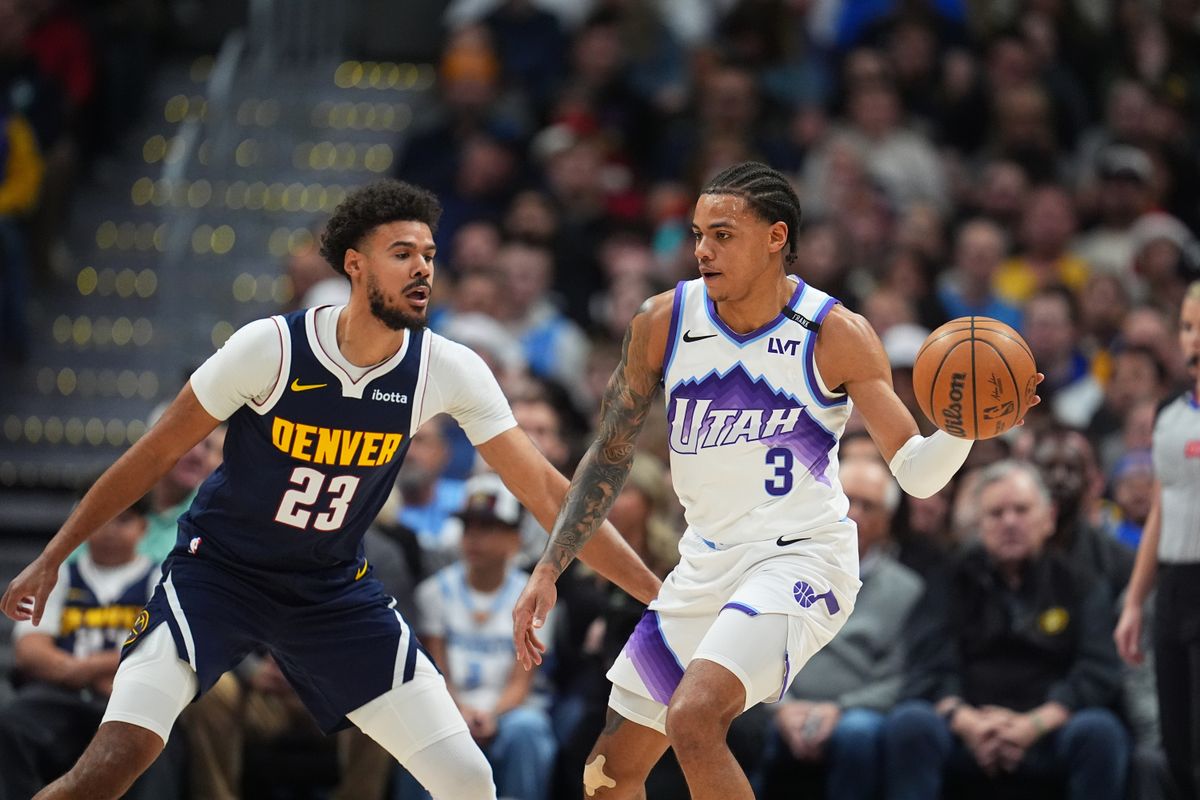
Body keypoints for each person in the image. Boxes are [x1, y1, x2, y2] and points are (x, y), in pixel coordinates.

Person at [0, 179, 660, 800]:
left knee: (468, 780)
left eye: (429, 255)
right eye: (402, 253)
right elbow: (153, 455)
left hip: (330, 591)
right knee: (115, 761)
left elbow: (549, 492)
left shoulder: (445, 367)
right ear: (354, 264)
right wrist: (54, 556)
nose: (423, 269)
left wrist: (657, 596)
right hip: (220, 576)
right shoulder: (270, 348)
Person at [512, 162, 1037, 800]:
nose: (702, 249)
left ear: (775, 237)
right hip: (704, 563)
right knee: (607, 775)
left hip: (800, 562)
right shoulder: (662, 320)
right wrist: (551, 566)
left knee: (694, 717)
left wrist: (961, 429)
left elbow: (916, 475)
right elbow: (608, 454)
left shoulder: (834, 333)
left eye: (723, 235)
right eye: (698, 234)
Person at [884, 461, 1129, 800]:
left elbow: (1098, 669)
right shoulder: (950, 580)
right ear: (979, 525)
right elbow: (928, 666)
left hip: (1049, 730)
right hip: (966, 729)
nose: (1009, 522)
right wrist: (969, 723)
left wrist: (1034, 724)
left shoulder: (1080, 583)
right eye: (996, 513)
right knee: (911, 723)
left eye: (1021, 510)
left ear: (1049, 517)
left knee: (1101, 731)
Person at [760, 458, 926, 800]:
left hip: (856, 712)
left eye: (869, 506)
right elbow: (761, 649)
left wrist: (840, 708)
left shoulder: (907, 590)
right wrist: (782, 707)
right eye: (848, 500)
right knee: (742, 723)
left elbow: (900, 677)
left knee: (857, 734)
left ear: (887, 521)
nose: (855, 514)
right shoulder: (786, 570)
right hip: (781, 702)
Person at [0, 495, 180, 800]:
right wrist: (85, 671)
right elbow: (29, 649)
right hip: (63, 695)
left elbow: (162, 647)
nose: (110, 531)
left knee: (158, 738)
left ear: (143, 528)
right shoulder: (60, 576)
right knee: (13, 721)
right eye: (103, 520)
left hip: (126, 696)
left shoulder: (160, 578)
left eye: (123, 521)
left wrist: (81, 667)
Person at [410, 473, 557, 800]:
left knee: (528, 729)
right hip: (450, 705)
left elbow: (521, 683)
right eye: (468, 527)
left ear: (515, 539)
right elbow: (436, 673)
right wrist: (460, 711)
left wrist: (490, 714)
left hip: (511, 710)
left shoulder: (536, 598)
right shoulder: (433, 592)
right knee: (423, 727)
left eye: (488, 527)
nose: (474, 537)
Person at [1115, 280, 1200, 798]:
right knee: (1177, 747)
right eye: (1188, 327)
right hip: (1174, 587)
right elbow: (1163, 511)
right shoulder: (1169, 414)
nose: (1194, 338)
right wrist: (1134, 602)